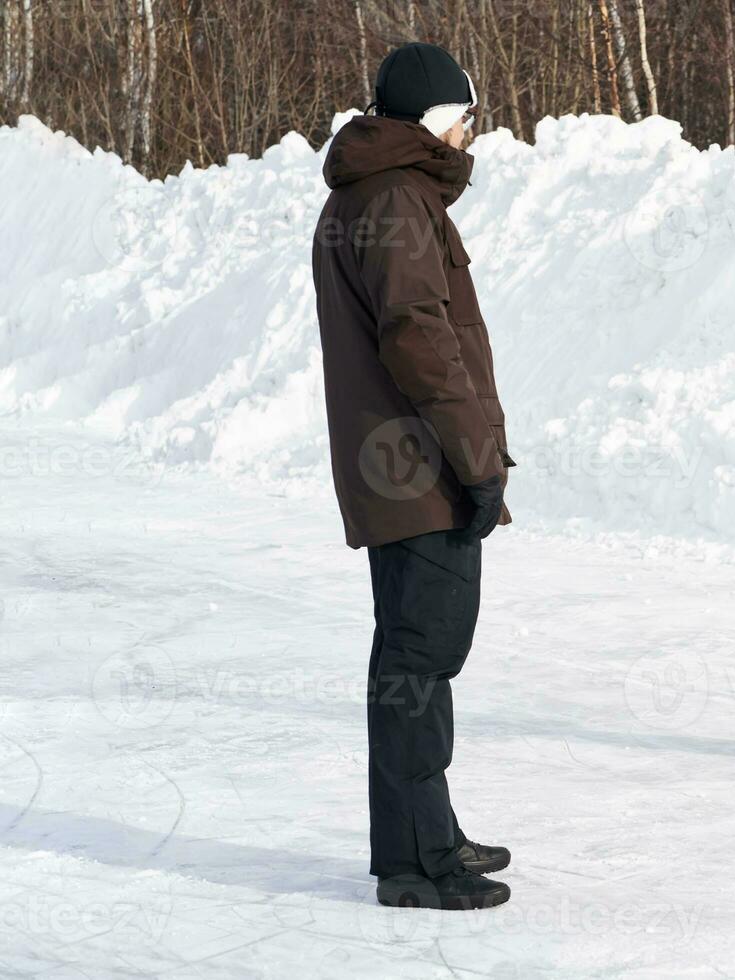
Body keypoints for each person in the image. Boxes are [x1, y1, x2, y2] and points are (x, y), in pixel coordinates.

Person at [312, 42, 513, 910]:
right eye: (467, 115)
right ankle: (418, 864)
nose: (473, 132)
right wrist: (477, 464)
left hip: (400, 469)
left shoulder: (379, 189)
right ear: (438, 117)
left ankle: (423, 838)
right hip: (418, 470)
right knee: (419, 665)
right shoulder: (397, 195)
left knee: (409, 662)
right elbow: (421, 340)